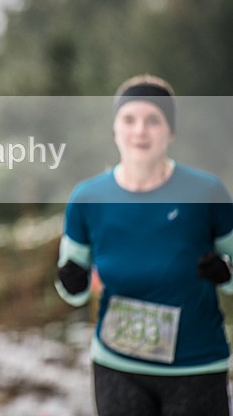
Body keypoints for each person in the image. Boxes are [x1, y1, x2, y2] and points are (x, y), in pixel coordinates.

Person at [55, 74, 233, 416]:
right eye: (129, 119)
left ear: (171, 131)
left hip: (195, 366)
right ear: (115, 129)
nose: (140, 130)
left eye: (153, 120)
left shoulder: (207, 192)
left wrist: (225, 273)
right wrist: (71, 282)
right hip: (118, 366)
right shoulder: (87, 198)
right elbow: (72, 285)